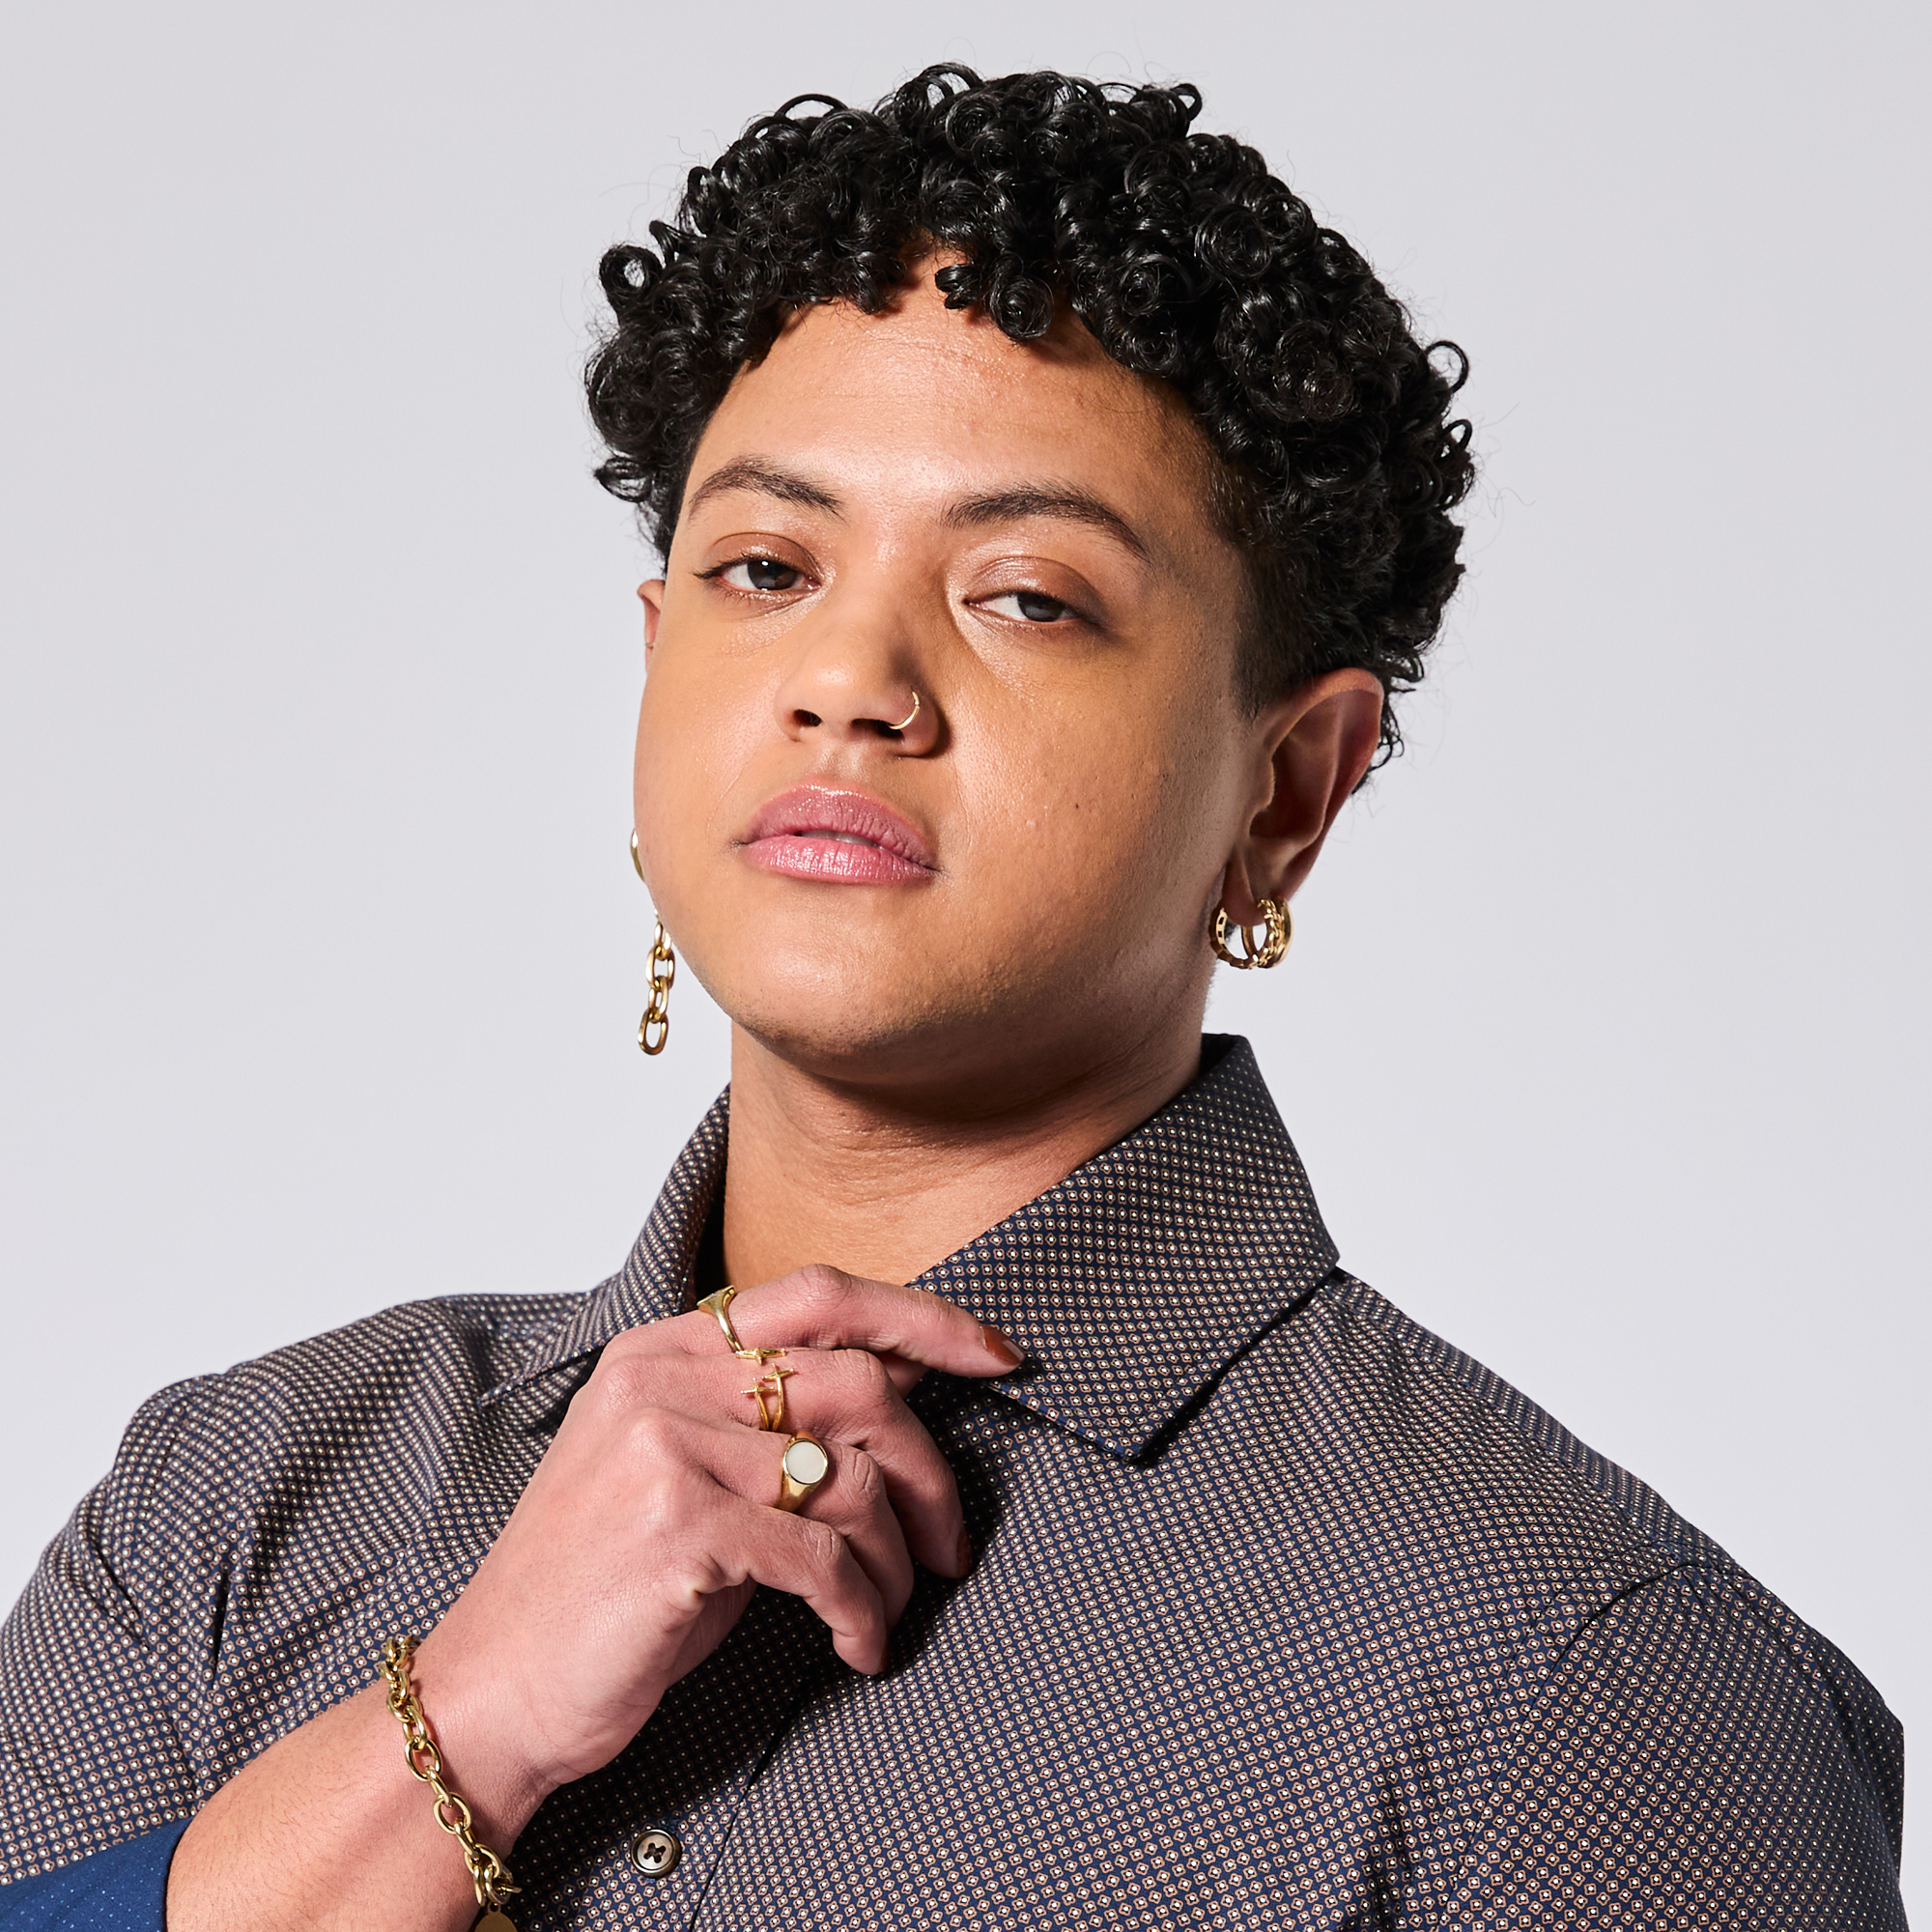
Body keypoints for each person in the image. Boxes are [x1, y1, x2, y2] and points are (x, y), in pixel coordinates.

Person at [0, 65, 1905, 1932]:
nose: (850, 679)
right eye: (764, 566)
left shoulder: (1576, 1689)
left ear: (1288, 786)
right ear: (658, 659)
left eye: (1029, 596)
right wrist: (465, 1724)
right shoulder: (239, 1511)